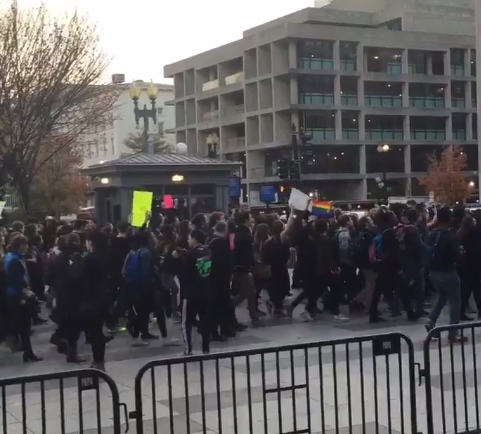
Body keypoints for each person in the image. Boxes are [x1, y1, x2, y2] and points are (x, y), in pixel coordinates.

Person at [426, 207, 466, 342]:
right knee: (455, 302)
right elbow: (456, 255)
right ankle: (453, 332)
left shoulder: (432, 234)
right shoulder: (450, 235)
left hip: (433, 272)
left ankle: (431, 321)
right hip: (448, 271)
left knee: (442, 297)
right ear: (449, 218)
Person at [4, 234, 42, 362]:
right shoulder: (15, 260)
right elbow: (17, 280)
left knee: (22, 325)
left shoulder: (11, 257)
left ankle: (28, 351)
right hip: (18, 296)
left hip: (13, 294)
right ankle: (28, 352)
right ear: (20, 246)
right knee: (24, 326)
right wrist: (25, 293)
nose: (26, 248)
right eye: (25, 245)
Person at [179, 229, 212, 355]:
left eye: (189, 238)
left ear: (195, 239)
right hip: (205, 289)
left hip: (191, 292)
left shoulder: (190, 255)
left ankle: (188, 348)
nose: (188, 240)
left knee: (186, 320)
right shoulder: (208, 251)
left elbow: (183, 271)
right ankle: (206, 347)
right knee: (205, 320)